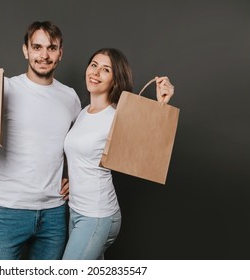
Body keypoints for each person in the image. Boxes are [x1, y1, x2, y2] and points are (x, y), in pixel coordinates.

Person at [0, 21, 81, 259]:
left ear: (60, 53)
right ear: (26, 50)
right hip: (7, 210)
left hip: (54, 214)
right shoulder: (6, 87)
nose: (44, 55)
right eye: (37, 47)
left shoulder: (70, 97)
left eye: (51, 48)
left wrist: (76, 179)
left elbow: (85, 144)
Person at [62, 48, 174, 259]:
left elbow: (151, 146)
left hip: (97, 216)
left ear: (115, 80)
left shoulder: (117, 118)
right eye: (94, 65)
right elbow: (82, 156)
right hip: (76, 211)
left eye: (105, 70)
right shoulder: (83, 112)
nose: (95, 73)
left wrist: (161, 106)